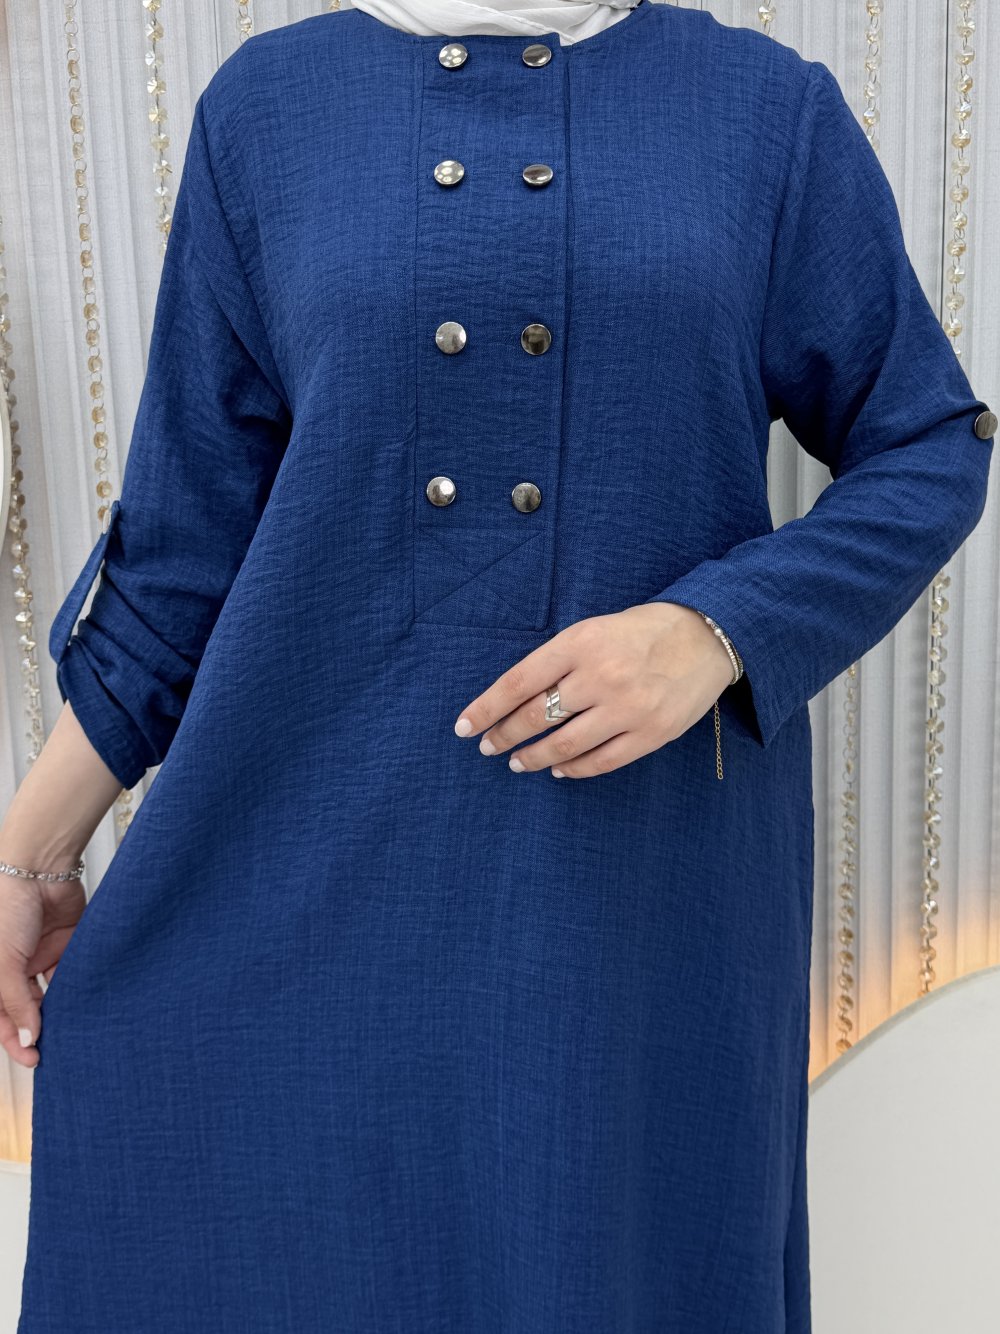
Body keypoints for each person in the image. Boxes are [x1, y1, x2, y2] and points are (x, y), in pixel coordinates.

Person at [2, 0, 995, 1329]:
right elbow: (187, 542)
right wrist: (28, 856)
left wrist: (714, 631)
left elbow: (929, 443)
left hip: (628, 905)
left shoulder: (765, 114)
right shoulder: (268, 113)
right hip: (305, 883)